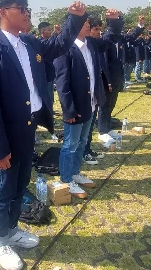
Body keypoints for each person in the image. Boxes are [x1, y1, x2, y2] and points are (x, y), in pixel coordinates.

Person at [0, 0, 86, 270]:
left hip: (28, 127)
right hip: (7, 132)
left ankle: (11, 229)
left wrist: (74, 19)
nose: (28, 13)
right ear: (3, 13)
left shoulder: (27, 42)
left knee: (21, 182)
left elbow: (60, 45)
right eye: (21, 8)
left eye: (27, 7)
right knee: (4, 187)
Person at [54, 11, 110, 198]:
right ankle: (66, 179)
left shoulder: (91, 45)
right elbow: (62, 83)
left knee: (82, 142)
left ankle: (75, 173)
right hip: (76, 107)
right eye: (85, 22)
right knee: (70, 144)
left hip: (91, 103)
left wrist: (114, 21)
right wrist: (69, 110)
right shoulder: (65, 48)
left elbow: (112, 38)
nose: (88, 25)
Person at [97, 16, 145, 145]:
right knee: (104, 106)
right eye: (119, 24)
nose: (122, 26)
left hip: (118, 76)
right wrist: (108, 81)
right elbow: (104, 62)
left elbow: (131, 37)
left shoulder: (119, 37)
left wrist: (139, 26)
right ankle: (102, 131)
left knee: (111, 104)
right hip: (108, 77)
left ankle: (107, 128)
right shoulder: (106, 38)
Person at [82, 17, 108, 165]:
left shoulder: (92, 45)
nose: (99, 32)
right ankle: (84, 152)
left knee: (90, 126)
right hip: (84, 96)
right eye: (95, 29)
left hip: (94, 93)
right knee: (80, 133)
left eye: (100, 29)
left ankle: (88, 149)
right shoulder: (76, 47)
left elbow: (111, 39)